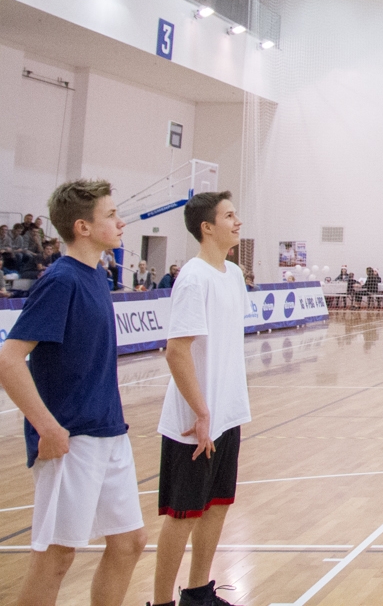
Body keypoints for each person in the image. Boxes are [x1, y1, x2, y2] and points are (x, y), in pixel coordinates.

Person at [0, 180, 145, 606]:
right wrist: (47, 427)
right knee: (56, 558)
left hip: (109, 431)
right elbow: (9, 360)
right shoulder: (61, 281)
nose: (120, 222)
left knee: (129, 543)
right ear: (82, 227)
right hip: (71, 438)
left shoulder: (96, 275)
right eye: (111, 215)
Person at [153, 192, 252, 606]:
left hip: (226, 414)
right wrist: (201, 410)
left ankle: (197, 594)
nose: (238, 221)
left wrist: (221, 409)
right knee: (183, 514)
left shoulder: (233, 274)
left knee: (217, 505)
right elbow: (176, 351)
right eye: (229, 215)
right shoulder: (193, 278)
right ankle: (161, 601)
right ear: (207, 227)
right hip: (193, 420)